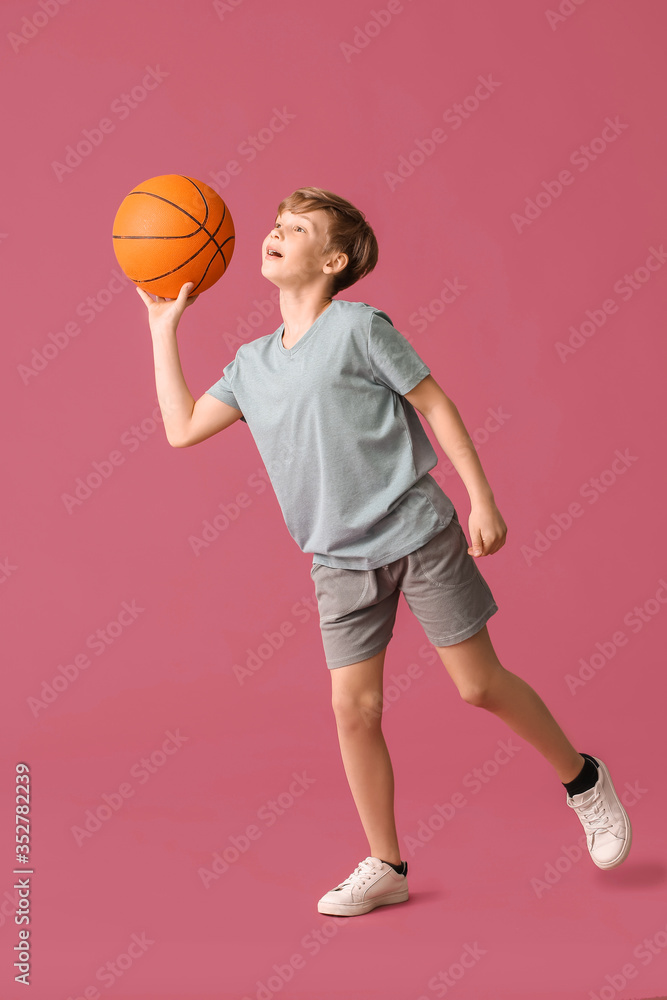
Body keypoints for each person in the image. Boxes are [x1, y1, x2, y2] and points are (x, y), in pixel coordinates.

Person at [137, 186, 632, 918]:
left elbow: (434, 404)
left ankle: (583, 780)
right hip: (337, 560)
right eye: (275, 224)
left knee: (477, 686)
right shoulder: (249, 365)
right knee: (353, 709)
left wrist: (481, 498)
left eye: (296, 228)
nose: (275, 232)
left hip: (417, 533)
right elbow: (179, 428)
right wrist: (162, 327)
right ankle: (387, 865)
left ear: (332, 260)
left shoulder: (359, 327)